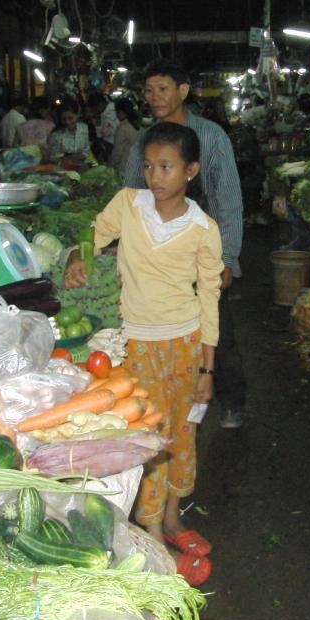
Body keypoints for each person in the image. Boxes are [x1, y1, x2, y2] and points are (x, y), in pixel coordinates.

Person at [64, 122, 221, 585]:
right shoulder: (128, 205)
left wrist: (208, 367)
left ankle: (172, 517)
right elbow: (93, 235)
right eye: (150, 166)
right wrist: (77, 256)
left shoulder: (203, 229)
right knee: (148, 437)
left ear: (191, 171)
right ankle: (151, 530)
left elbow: (210, 298)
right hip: (137, 344)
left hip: (186, 343)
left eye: (167, 167)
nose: (156, 177)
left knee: (182, 433)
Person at [124, 62, 246, 429]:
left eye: (162, 88)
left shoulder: (211, 137)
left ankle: (232, 400)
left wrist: (227, 258)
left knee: (215, 327)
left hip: (203, 247)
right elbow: (130, 196)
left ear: (183, 91)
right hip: (158, 247)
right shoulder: (144, 141)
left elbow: (228, 200)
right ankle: (170, 400)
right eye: (148, 90)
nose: (154, 97)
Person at [109, 98, 142, 171]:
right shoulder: (138, 123)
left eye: (117, 112)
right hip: (139, 165)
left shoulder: (122, 127)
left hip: (126, 167)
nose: (116, 115)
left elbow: (117, 153)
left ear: (120, 112)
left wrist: (111, 164)